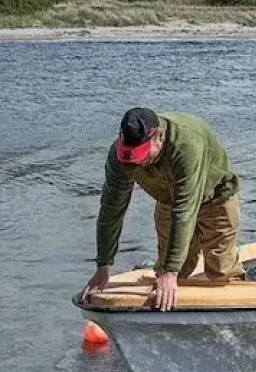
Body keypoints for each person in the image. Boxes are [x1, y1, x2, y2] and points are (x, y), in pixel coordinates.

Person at [80, 107, 244, 310]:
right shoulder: (119, 155)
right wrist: (103, 266)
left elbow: (184, 210)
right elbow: (111, 210)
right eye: (130, 159)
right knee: (167, 275)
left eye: (142, 157)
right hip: (169, 201)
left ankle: (238, 313)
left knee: (220, 270)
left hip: (215, 199)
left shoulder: (185, 144)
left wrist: (170, 271)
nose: (136, 165)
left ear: (159, 136)